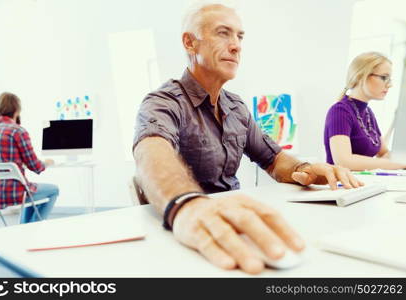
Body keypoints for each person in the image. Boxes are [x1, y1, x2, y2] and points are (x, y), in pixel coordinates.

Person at [133, 3, 362, 274]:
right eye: (223, 33)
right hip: (193, 232)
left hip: (238, 223)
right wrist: (186, 204)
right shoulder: (162, 102)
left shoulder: (236, 107)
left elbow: (274, 159)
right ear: (189, 42)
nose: (236, 46)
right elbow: (151, 153)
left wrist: (304, 169)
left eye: (239, 36)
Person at [324, 52, 406, 170]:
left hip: (364, 183)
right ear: (361, 76)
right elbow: (343, 161)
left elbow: (384, 154)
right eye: (384, 77)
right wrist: (394, 164)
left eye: (390, 79)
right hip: (343, 185)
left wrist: (399, 159)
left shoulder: (368, 113)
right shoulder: (340, 111)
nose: (390, 85)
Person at [0, 92, 59, 223]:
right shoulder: (17, 131)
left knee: (30, 190)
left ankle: (23, 229)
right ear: (17, 110)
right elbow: (35, 167)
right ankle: (33, 228)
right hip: (15, 192)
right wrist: (46, 163)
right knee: (53, 190)